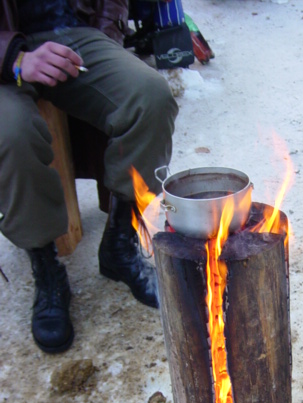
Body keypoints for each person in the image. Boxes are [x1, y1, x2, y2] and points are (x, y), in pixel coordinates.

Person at [0, 0, 179, 354]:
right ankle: (45, 266)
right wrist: (14, 58)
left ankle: (119, 243)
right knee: (12, 135)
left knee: (150, 98)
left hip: (71, 32)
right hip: (5, 54)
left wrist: (106, 31)